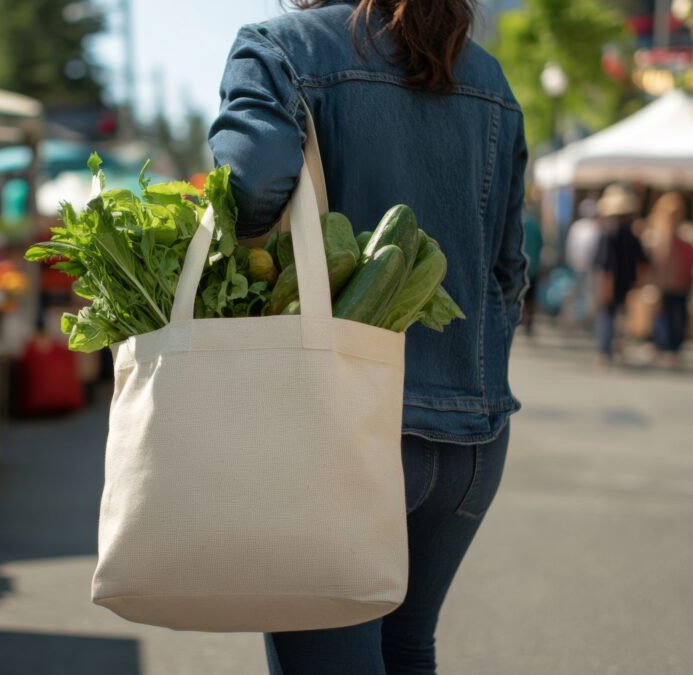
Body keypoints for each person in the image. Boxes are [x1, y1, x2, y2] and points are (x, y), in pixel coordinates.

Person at [209, 1, 526, 673]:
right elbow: (507, 271)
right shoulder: (489, 80)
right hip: (469, 441)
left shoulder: (281, 49)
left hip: (334, 431)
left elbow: (250, 190)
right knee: (407, 648)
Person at [592, 184, 648, 367]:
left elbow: (604, 264)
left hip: (610, 281)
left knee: (607, 315)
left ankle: (605, 351)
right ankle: (615, 348)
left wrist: (605, 284)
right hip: (626, 282)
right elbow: (642, 261)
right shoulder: (632, 234)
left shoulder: (608, 234)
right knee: (620, 316)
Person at [645, 192, 693, 367]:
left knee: (677, 316)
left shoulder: (686, 232)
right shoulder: (656, 232)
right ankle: (664, 346)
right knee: (663, 315)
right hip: (664, 282)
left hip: (680, 282)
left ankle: (673, 348)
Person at [566, 197, 601, 324]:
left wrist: (571, 260)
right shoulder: (594, 227)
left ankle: (579, 317)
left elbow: (569, 246)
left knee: (579, 292)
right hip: (587, 265)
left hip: (577, 264)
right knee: (587, 292)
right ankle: (582, 317)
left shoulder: (577, 226)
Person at [521, 196, 544, 335]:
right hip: (533, 266)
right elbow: (541, 245)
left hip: (521, 267)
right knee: (531, 297)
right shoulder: (534, 225)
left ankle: (523, 319)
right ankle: (529, 320)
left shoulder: (521, 223)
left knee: (521, 294)